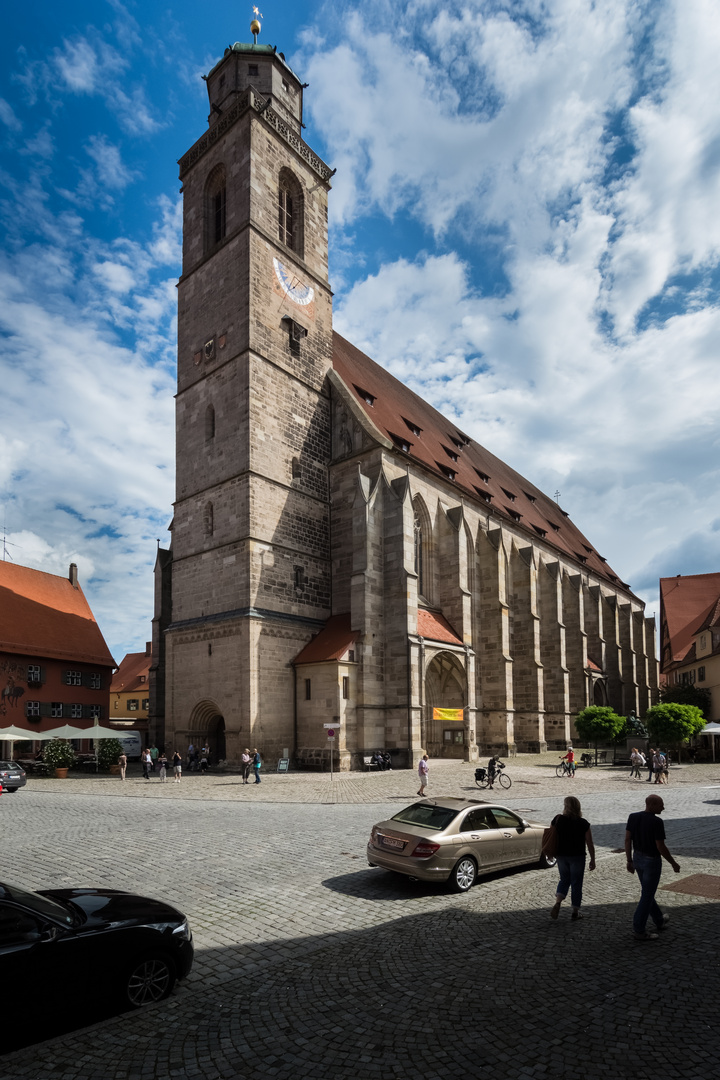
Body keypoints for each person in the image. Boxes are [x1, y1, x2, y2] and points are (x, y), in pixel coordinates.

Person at [625, 794, 680, 940]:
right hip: (651, 861)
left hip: (637, 857)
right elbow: (660, 846)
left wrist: (629, 860)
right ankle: (639, 928)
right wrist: (673, 863)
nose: (663, 807)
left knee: (647, 892)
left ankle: (659, 920)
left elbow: (627, 839)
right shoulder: (657, 822)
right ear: (652, 805)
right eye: (661, 804)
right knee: (647, 895)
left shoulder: (633, 817)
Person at [549, 795, 596, 921]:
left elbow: (551, 835)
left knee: (564, 879)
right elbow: (590, 843)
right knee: (576, 883)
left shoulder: (558, 820)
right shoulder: (583, 823)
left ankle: (558, 902)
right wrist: (593, 859)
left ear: (566, 807)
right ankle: (575, 911)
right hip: (578, 856)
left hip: (562, 855)